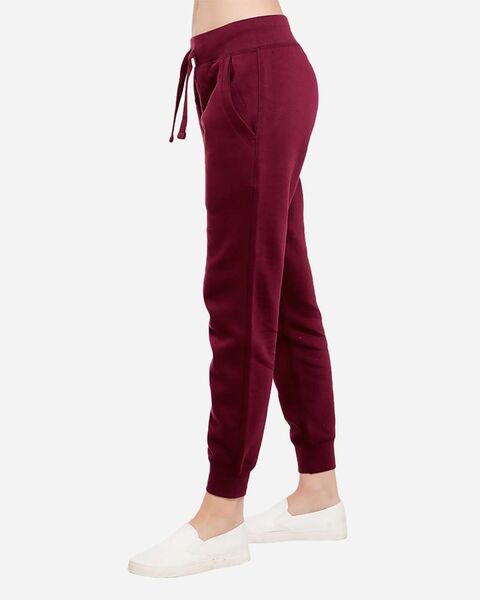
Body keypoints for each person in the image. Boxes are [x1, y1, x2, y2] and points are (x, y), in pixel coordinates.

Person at [129, 0, 347, 578]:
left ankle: (222, 512)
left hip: (252, 67)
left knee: (239, 299)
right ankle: (318, 490)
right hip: (240, 66)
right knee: (286, 295)